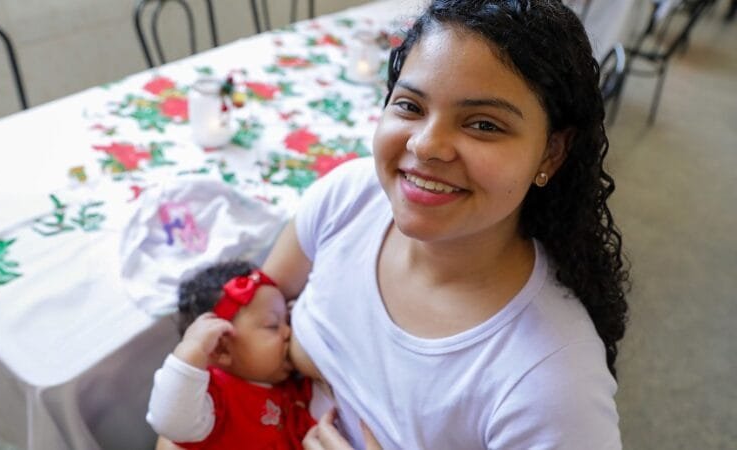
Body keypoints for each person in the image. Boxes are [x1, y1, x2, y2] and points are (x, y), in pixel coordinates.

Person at [261, 0, 630, 449]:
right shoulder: (350, 197)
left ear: (552, 152)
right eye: (411, 106)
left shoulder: (550, 383)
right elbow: (251, 305)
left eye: (483, 124)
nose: (427, 145)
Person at [146, 260, 316, 449]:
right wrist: (191, 351)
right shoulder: (213, 399)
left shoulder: (285, 383)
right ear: (222, 349)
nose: (288, 332)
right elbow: (171, 423)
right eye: (273, 325)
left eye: (288, 319)